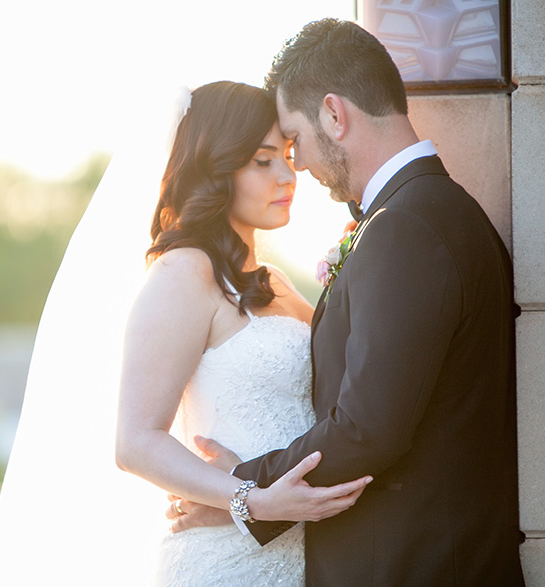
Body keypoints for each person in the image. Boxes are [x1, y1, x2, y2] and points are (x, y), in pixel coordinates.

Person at [177, 19, 526, 586]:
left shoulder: (408, 226)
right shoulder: (428, 211)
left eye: (295, 139)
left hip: (413, 567)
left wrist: (244, 490)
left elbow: (367, 427)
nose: (300, 164)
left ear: (335, 115)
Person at [114, 80, 372, 586]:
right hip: (224, 566)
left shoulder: (273, 282)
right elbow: (134, 441)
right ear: (216, 167)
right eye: (262, 160)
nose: (287, 174)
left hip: (302, 555)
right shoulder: (184, 273)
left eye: (288, 155)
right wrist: (249, 499)